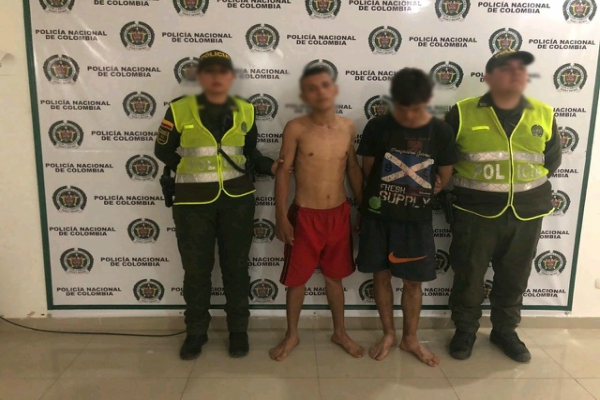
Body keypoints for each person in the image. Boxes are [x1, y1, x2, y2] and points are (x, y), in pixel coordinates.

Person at [154, 50, 282, 360]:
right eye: (209, 71)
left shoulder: (245, 109)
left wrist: (271, 167)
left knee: (236, 268)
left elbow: (249, 153)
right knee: (196, 270)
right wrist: (191, 172)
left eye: (222, 71)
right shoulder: (179, 109)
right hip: (192, 203)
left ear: (230, 76)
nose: (216, 76)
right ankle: (196, 332)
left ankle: (238, 331)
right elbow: (163, 151)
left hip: (237, 201)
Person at [444, 50, 562, 363]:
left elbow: (551, 161)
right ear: (488, 77)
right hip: (475, 213)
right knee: (469, 276)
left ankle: (504, 331)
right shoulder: (462, 112)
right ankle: (465, 330)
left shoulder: (543, 113)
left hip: (527, 212)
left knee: (515, 277)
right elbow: (444, 160)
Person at [356, 68, 456, 365]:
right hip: (378, 216)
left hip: (415, 221)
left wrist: (432, 185)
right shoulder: (377, 126)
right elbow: (368, 171)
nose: (409, 113)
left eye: (415, 106)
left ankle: (410, 338)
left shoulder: (441, 131)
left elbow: (444, 178)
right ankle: (388, 333)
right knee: (381, 275)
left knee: (413, 282)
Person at [269, 66, 364, 361]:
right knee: (296, 281)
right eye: (312, 88)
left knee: (335, 278)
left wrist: (362, 208)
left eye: (324, 85)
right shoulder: (296, 128)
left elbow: (352, 168)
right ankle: (292, 334)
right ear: (304, 96)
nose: (320, 92)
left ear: (334, 89)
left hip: (338, 215)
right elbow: (283, 173)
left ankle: (340, 332)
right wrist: (280, 216)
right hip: (305, 216)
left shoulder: (348, 127)